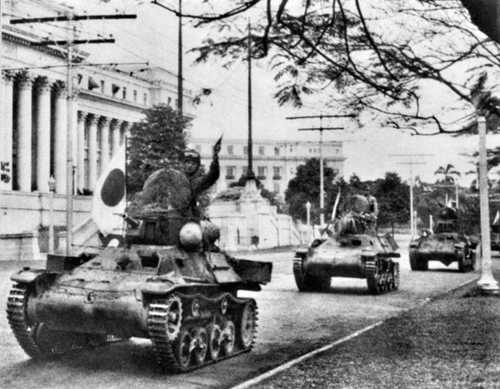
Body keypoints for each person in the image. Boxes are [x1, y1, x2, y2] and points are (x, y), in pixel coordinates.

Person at [136, 137, 221, 218]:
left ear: (197, 166)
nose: (189, 165)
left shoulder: (198, 181)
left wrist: (215, 158)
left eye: (193, 163)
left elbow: (213, 176)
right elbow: (157, 185)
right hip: (170, 216)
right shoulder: (174, 177)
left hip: (189, 218)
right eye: (187, 162)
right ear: (183, 164)